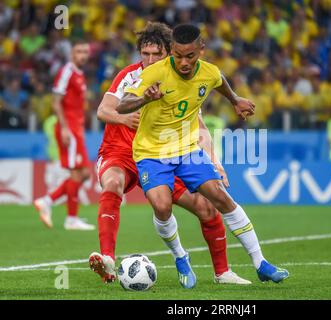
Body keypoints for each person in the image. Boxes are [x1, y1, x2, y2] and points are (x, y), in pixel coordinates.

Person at [118, 24, 289, 289]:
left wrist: (234, 100)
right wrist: (144, 99)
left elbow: (219, 80)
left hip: (187, 149)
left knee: (220, 196)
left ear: (201, 50)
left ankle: (261, 263)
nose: (184, 62)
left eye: (190, 56)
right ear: (171, 51)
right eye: (178, 56)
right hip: (151, 152)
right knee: (162, 206)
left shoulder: (209, 72)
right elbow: (122, 104)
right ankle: (181, 257)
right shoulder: (154, 73)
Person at [89, 22, 250, 286]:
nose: (149, 59)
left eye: (156, 54)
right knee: (113, 184)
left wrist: (215, 163)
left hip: (162, 157)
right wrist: (124, 117)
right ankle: (107, 258)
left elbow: (201, 130)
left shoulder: (180, 79)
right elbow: (103, 110)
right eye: (145, 53)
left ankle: (223, 272)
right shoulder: (129, 77)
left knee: (206, 207)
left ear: (170, 53)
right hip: (121, 153)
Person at [33, 40, 95, 231]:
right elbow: (56, 101)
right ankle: (71, 218)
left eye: (85, 51)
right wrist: (65, 128)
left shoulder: (79, 73)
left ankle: (47, 201)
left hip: (77, 129)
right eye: (79, 51)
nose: (83, 55)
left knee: (84, 173)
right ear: (72, 54)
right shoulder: (67, 71)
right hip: (69, 128)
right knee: (78, 172)